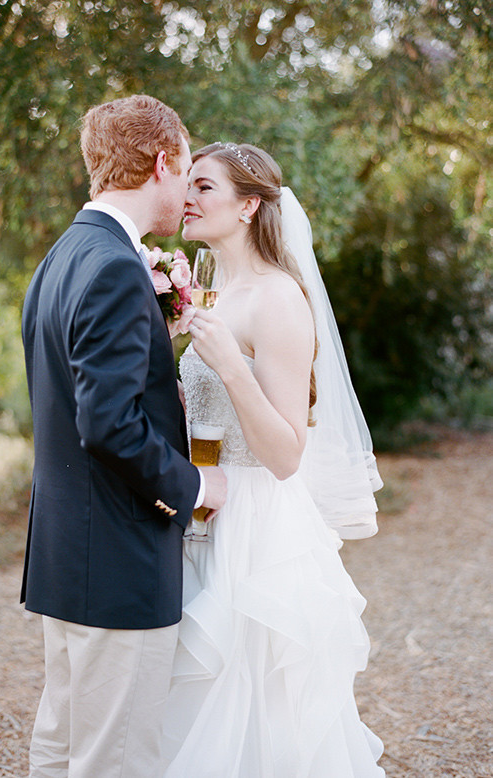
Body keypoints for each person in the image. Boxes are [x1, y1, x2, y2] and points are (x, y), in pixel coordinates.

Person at [161, 142, 385, 777]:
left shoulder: (279, 298)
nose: (186, 198)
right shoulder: (209, 291)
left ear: (248, 206)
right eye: (187, 185)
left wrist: (232, 368)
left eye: (204, 187)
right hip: (204, 506)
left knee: (253, 705)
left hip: (256, 527)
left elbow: (286, 454)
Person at [20, 96, 226, 778]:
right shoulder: (114, 266)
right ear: (162, 163)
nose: (187, 190)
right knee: (117, 760)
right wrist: (194, 485)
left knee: (60, 748)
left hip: (66, 554)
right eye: (186, 170)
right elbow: (107, 424)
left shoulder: (62, 256)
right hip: (117, 559)